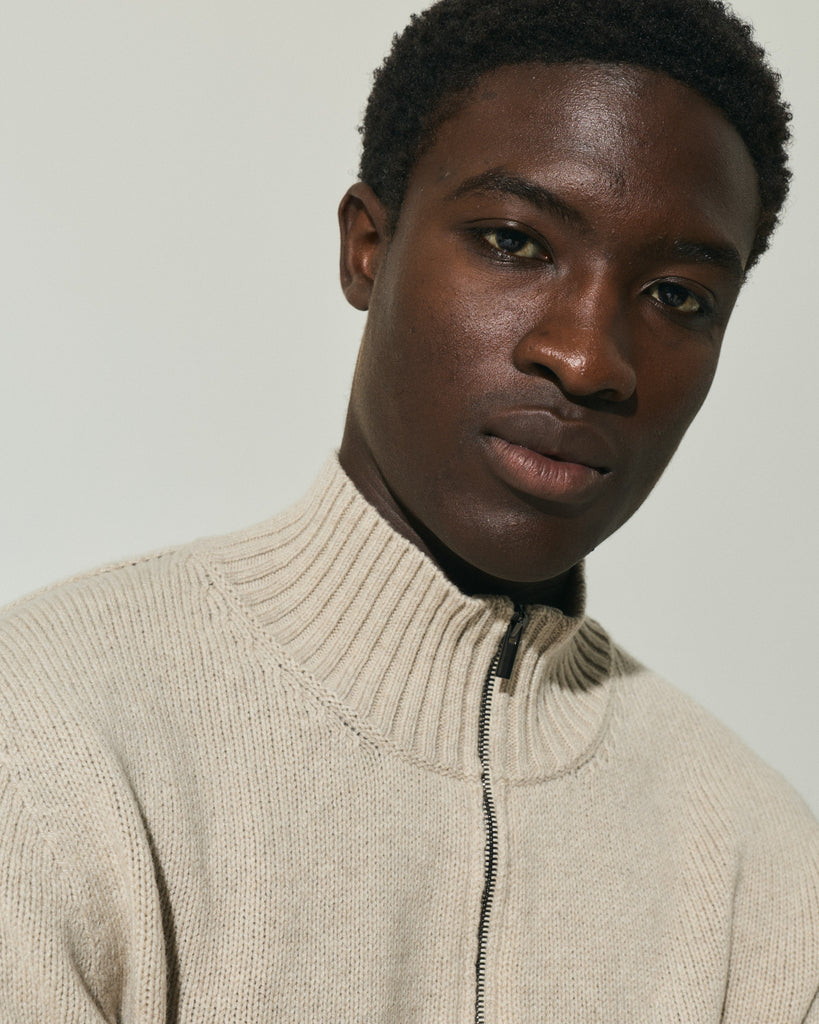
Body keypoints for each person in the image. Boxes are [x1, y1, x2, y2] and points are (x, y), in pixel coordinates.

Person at [1, 0, 817, 1020]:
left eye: (678, 297)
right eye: (514, 242)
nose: (586, 357)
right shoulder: (51, 734)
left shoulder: (764, 877)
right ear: (367, 246)